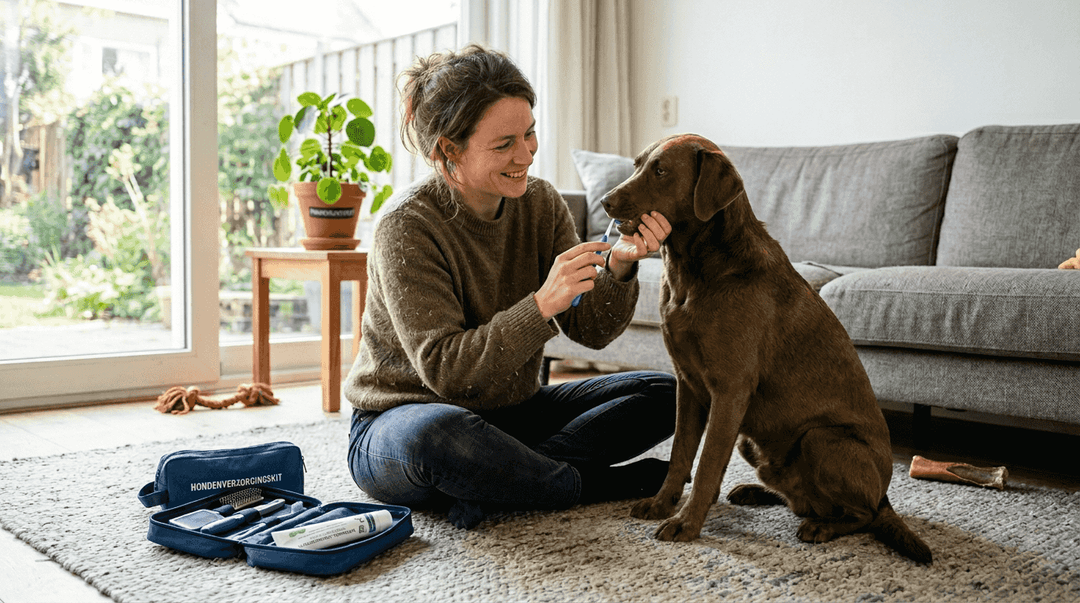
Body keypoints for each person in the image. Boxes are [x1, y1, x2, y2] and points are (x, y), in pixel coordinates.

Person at [344, 44, 676, 529]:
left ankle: (505, 478)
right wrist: (542, 304)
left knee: (670, 394)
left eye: (530, 133)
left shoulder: (540, 203)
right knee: (440, 437)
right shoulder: (406, 226)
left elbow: (591, 330)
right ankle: (586, 484)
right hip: (403, 421)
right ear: (447, 151)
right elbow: (448, 373)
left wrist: (622, 268)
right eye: (504, 145)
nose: (525, 155)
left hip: (513, 413)